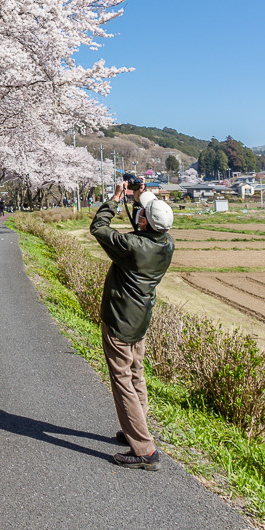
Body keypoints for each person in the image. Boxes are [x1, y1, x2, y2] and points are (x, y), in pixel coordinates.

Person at [90, 176, 174, 471]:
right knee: (136, 374)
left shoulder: (133, 246)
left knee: (122, 380)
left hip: (121, 319)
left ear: (143, 223)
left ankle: (144, 450)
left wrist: (115, 199)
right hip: (140, 318)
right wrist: (139, 195)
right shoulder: (165, 242)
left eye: (142, 213)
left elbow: (98, 228)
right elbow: (148, 216)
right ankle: (135, 431)